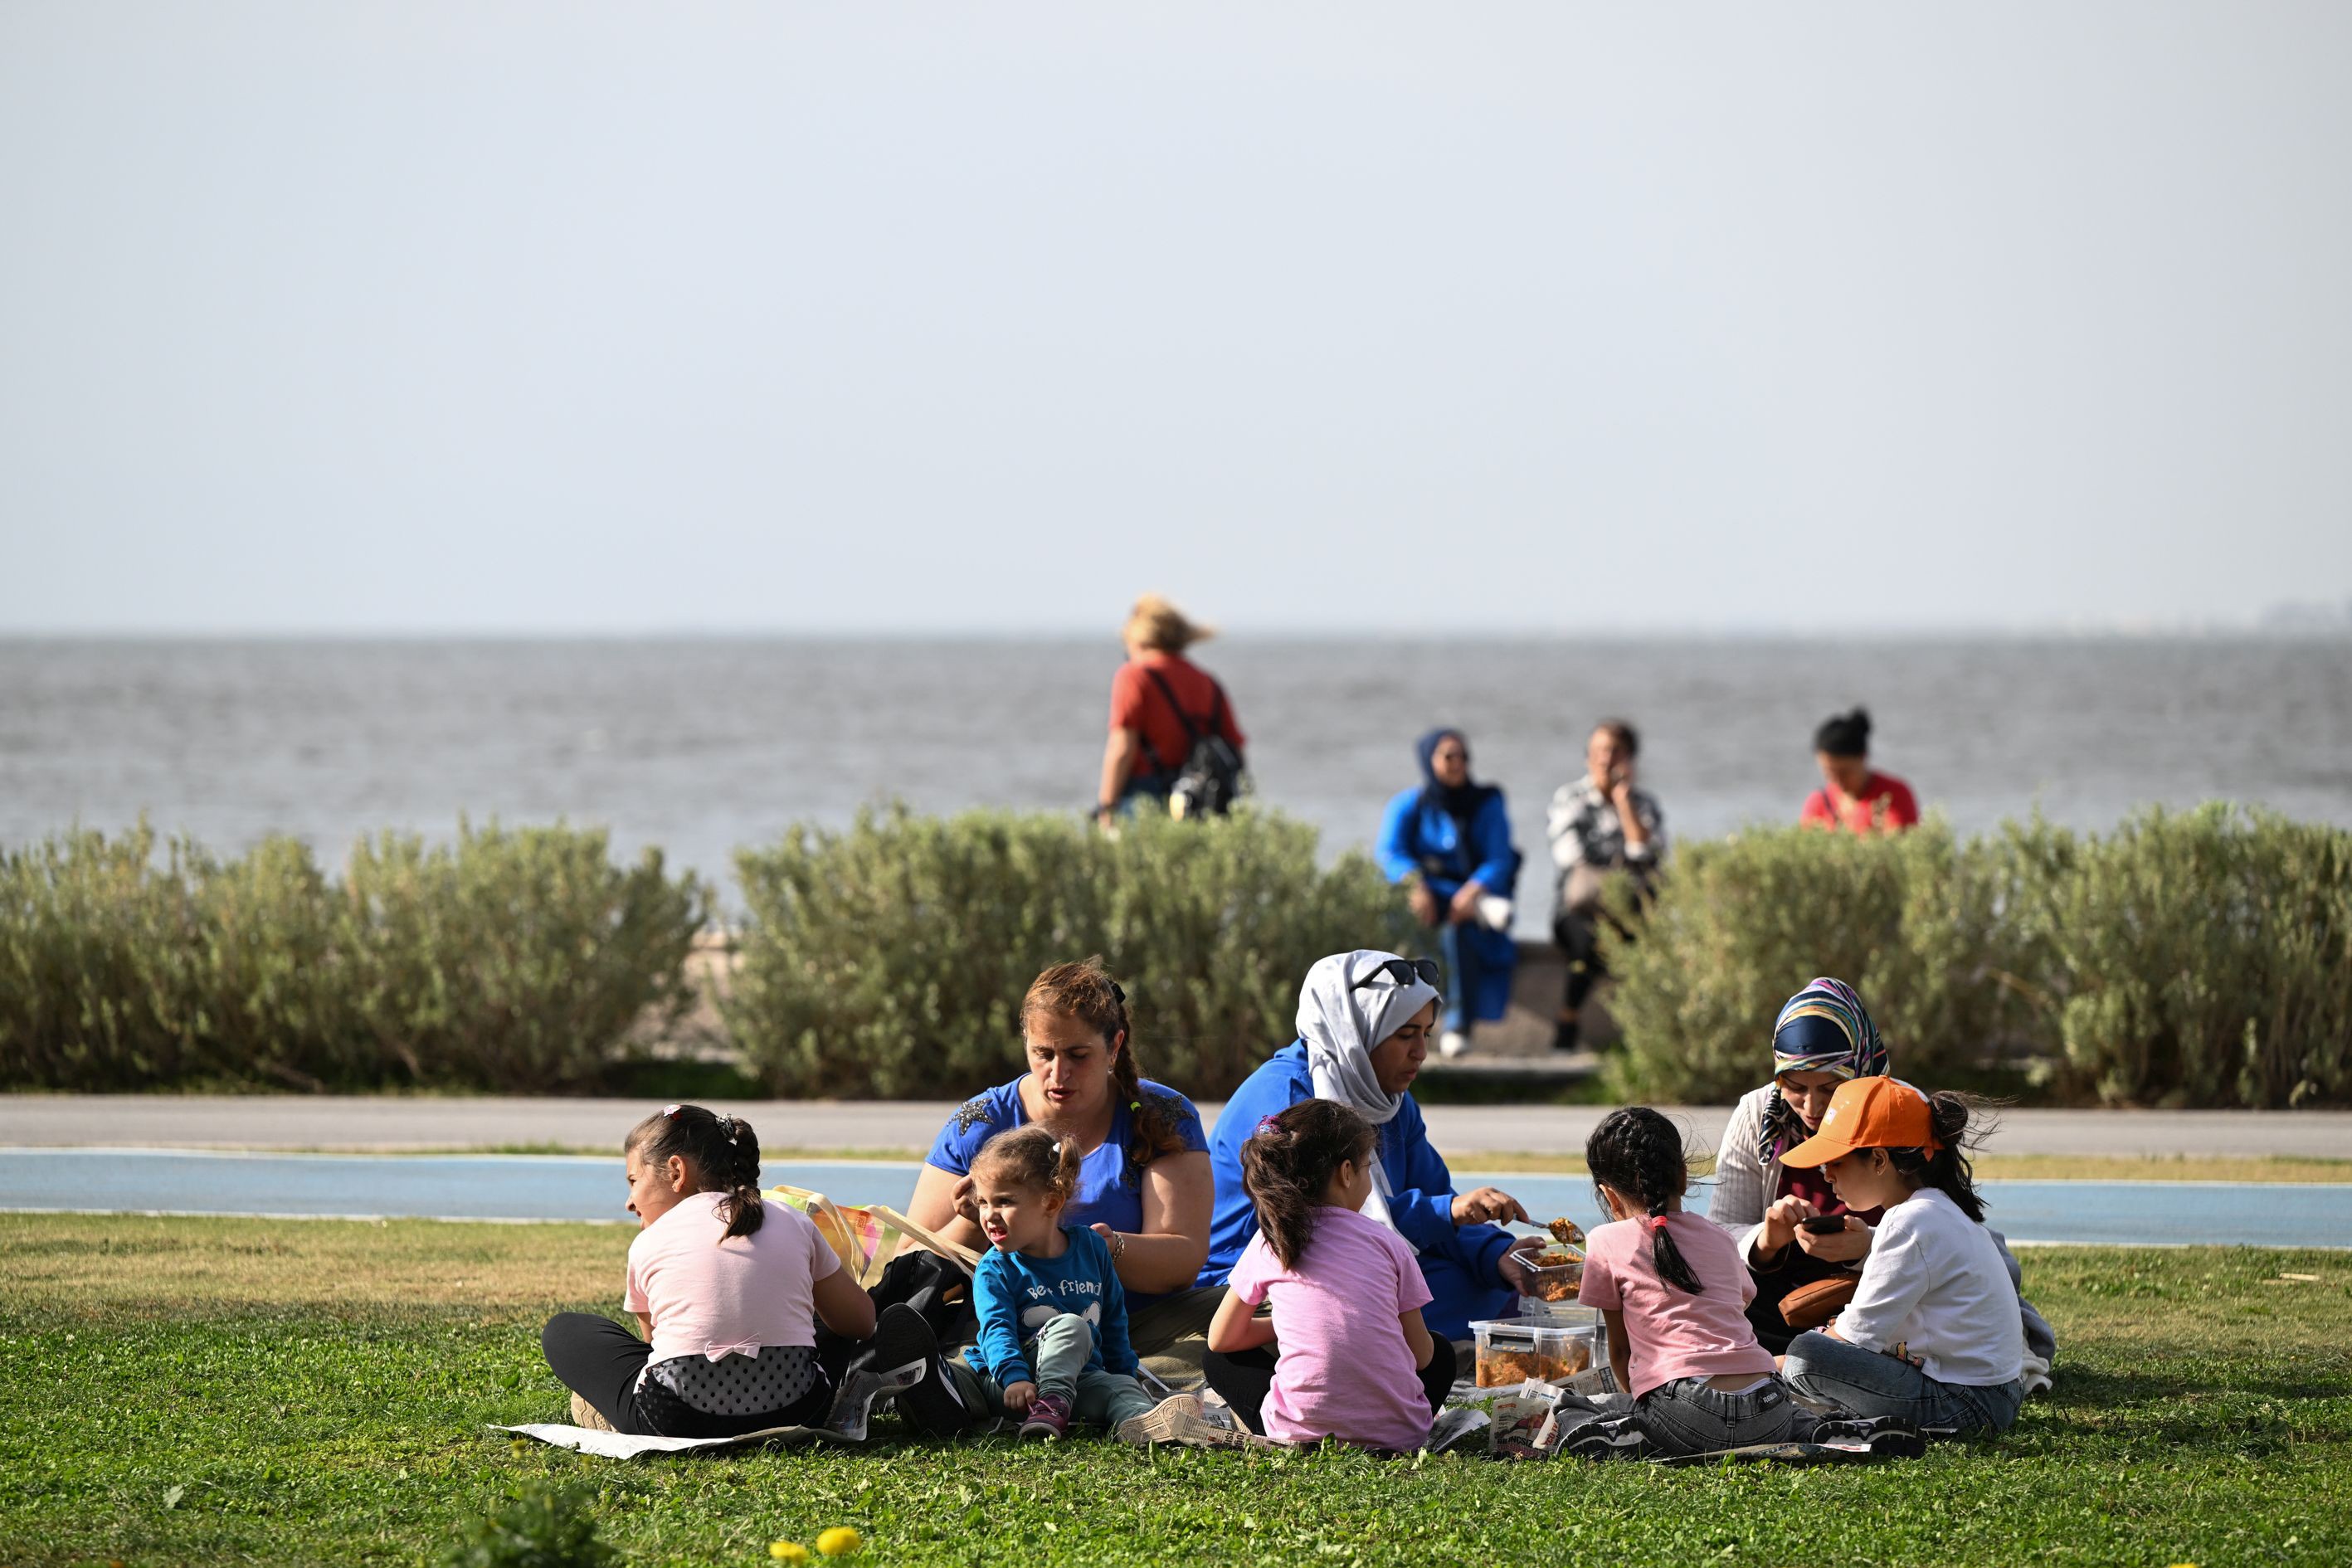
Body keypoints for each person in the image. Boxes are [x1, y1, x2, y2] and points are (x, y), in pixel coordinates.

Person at [1707, 977, 2057, 1371]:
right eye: (1795, 1085)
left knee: (1847, 1347)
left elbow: (1962, 1238)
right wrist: (1766, 1241)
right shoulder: (1757, 1114)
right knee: (1714, 1311)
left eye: (1830, 1087)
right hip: (1783, 1297)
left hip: (1887, 1298)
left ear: (1861, 1067)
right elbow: (1720, 1236)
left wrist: (1867, 1248)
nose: (1812, 1105)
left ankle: (1806, 1361)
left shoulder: (1895, 1110)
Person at [1200, 950, 1535, 1341]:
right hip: (1262, 1278)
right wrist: (1447, 1211)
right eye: (1405, 1035)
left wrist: (1495, 1252)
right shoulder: (1289, 1100)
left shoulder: (1389, 1100)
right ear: (1355, 1032)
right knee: (1399, 1310)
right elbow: (1321, 1226)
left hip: (1356, 1258)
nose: (1421, 1052)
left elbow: (1435, 1196)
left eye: (1426, 1034)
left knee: (1494, 1285)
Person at [905, 958, 1220, 1371]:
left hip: (1136, 1328)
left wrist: (1101, 1252)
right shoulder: (979, 1122)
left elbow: (1182, 1261)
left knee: (1263, 1317)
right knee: (956, 1350)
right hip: (1009, 1332)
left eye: (1078, 1054)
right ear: (1026, 1045)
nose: (1058, 1073)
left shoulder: (1163, 1114)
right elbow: (910, 1267)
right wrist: (973, 1220)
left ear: (1115, 1044)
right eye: (1043, 1054)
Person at [1577, 1107, 1920, 1458]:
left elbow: (1621, 1353)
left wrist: (1645, 1405)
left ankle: (1631, 1433)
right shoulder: (1722, 1238)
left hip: (1685, 1407)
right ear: (1683, 1176)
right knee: (1790, 1418)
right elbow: (1738, 1306)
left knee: (1585, 1407)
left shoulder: (1605, 1240)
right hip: (1767, 1402)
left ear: (1610, 1195)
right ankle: (1823, 1429)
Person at [540, 1104, 879, 1436]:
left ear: (676, 1172)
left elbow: (653, 1343)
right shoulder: (792, 1219)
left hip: (675, 1420)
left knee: (563, 1329)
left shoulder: (649, 1241)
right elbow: (861, 1322)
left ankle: (611, 1408)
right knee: (828, 1315)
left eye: (633, 1181)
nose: (629, 1202)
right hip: (801, 1409)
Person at [1776, 1079, 2032, 1436]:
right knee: (1813, 1350)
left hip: (1968, 1404)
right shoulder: (1932, 1208)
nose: (1827, 1175)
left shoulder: (1909, 1221)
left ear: (1879, 1160)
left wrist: (1763, 1368)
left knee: (1805, 1355)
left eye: (1834, 1163)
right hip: (1989, 1394)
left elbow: (1852, 1339)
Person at [1202, 1101, 1457, 1450]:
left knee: (1217, 1360)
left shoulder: (1270, 1240)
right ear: (1347, 1172)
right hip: (1398, 1438)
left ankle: (1291, 1423)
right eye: (1368, 1169)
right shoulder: (1388, 1241)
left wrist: (1289, 1324)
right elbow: (1423, 1356)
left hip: (1298, 1436)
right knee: (1442, 1350)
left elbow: (1220, 1339)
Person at [935, 1127, 1157, 1440]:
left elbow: (1113, 1319)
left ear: (1051, 1204)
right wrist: (1014, 1378)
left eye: (1004, 1201)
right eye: (983, 1202)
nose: (989, 1215)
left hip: (1081, 1381)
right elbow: (997, 1329)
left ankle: (1143, 1426)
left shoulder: (1091, 1248)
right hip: (1015, 1386)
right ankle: (955, 1389)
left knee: (1120, 1388)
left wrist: (1124, 1373)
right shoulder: (995, 1267)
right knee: (1072, 1326)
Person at [1375, 728, 1522, 1058]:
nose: (1457, 764)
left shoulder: (1486, 802)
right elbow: (1389, 854)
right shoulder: (1408, 805)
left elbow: (1500, 858)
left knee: (1459, 934)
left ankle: (1457, 1023)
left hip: (1470, 898)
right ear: (1429, 761)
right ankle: (1396, 1023)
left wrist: (1472, 892)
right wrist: (1415, 884)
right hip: (1425, 896)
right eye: (1448, 757)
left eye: (1463, 756)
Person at [1546, 718, 1666, 1052]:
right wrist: (1624, 868)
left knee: (1646, 945)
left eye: (1615, 752)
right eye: (1599, 751)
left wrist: (1624, 805)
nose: (1606, 759)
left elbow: (1650, 857)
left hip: (1629, 911)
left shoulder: (1644, 806)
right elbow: (1569, 856)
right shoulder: (1569, 799)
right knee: (1590, 943)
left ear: (1630, 759)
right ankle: (1567, 1020)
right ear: (1588, 757)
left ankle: (1643, 1038)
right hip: (1577, 909)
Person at [1096, 593, 1246, 824]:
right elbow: (1234, 747)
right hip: (1195, 801)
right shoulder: (1207, 681)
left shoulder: (1133, 676)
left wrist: (1106, 808)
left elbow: (1122, 748)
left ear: (1137, 638)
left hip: (1144, 797)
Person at [1800, 708, 1918, 835]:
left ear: (1863, 757)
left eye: (1844, 772)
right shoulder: (1818, 802)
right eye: (1829, 772)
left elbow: (1901, 844)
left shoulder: (1892, 795)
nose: (1837, 781)